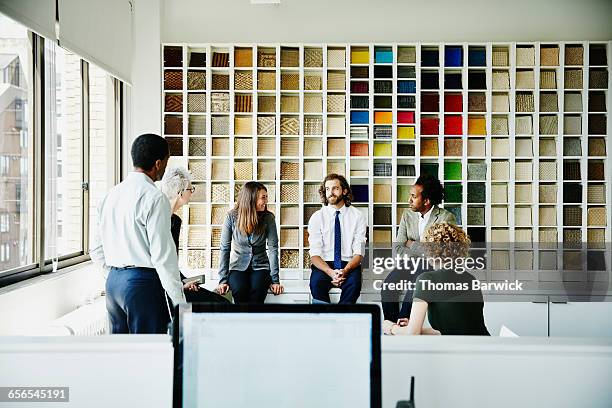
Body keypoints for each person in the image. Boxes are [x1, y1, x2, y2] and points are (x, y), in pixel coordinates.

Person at [90, 134, 186, 334]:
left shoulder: (110, 195)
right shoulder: (155, 198)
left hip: (114, 285)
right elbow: (163, 257)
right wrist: (180, 304)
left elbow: (96, 249)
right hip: (142, 285)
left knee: (123, 355)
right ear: (158, 163)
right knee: (149, 354)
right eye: (166, 162)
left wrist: (115, 276)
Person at [384, 223, 489, 336]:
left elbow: (412, 334)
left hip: (463, 350)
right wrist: (413, 326)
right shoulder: (470, 278)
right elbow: (450, 330)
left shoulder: (427, 279)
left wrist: (391, 327)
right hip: (483, 345)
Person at [382, 174, 457, 324]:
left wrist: (413, 244)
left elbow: (440, 254)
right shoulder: (407, 215)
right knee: (387, 286)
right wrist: (423, 249)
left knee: (414, 289)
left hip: (432, 267)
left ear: (427, 201)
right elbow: (398, 246)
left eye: (413, 196)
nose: (409, 200)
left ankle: (403, 325)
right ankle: (390, 326)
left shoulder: (446, 218)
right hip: (411, 263)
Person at [158, 167, 230, 304]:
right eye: (190, 189)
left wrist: (186, 282)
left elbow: (171, 264)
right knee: (222, 304)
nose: (191, 193)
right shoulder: (162, 220)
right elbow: (161, 263)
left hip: (175, 284)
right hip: (164, 289)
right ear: (180, 193)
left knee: (222, 303)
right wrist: (181, 285)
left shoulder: (175, 221)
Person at [216, 182, 284, 303]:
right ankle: (241, 321)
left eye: (266, 197)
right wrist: (223, 281)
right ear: (251, 198)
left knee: (258, 289)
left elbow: (273, 248)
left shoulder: (269, 218)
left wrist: (275, 281)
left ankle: (255, 321)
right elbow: (224, 249)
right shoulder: (231, 217)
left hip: (261, 266)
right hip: (237, 266)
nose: (266, 201)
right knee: (239, 289)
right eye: (263, 197)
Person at [308, 173, 367, 304]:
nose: (331, 192)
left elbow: (359, 252)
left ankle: (342, 320)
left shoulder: (358, 216)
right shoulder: (317, 217)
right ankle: (324, 321)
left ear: (344, 191)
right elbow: (314, 254)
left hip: (349, 264)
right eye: (327, 189)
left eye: (335, 188)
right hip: (324, 264)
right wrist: (330, 272)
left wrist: (345, 271)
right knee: (316, 284)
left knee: (354, 286)